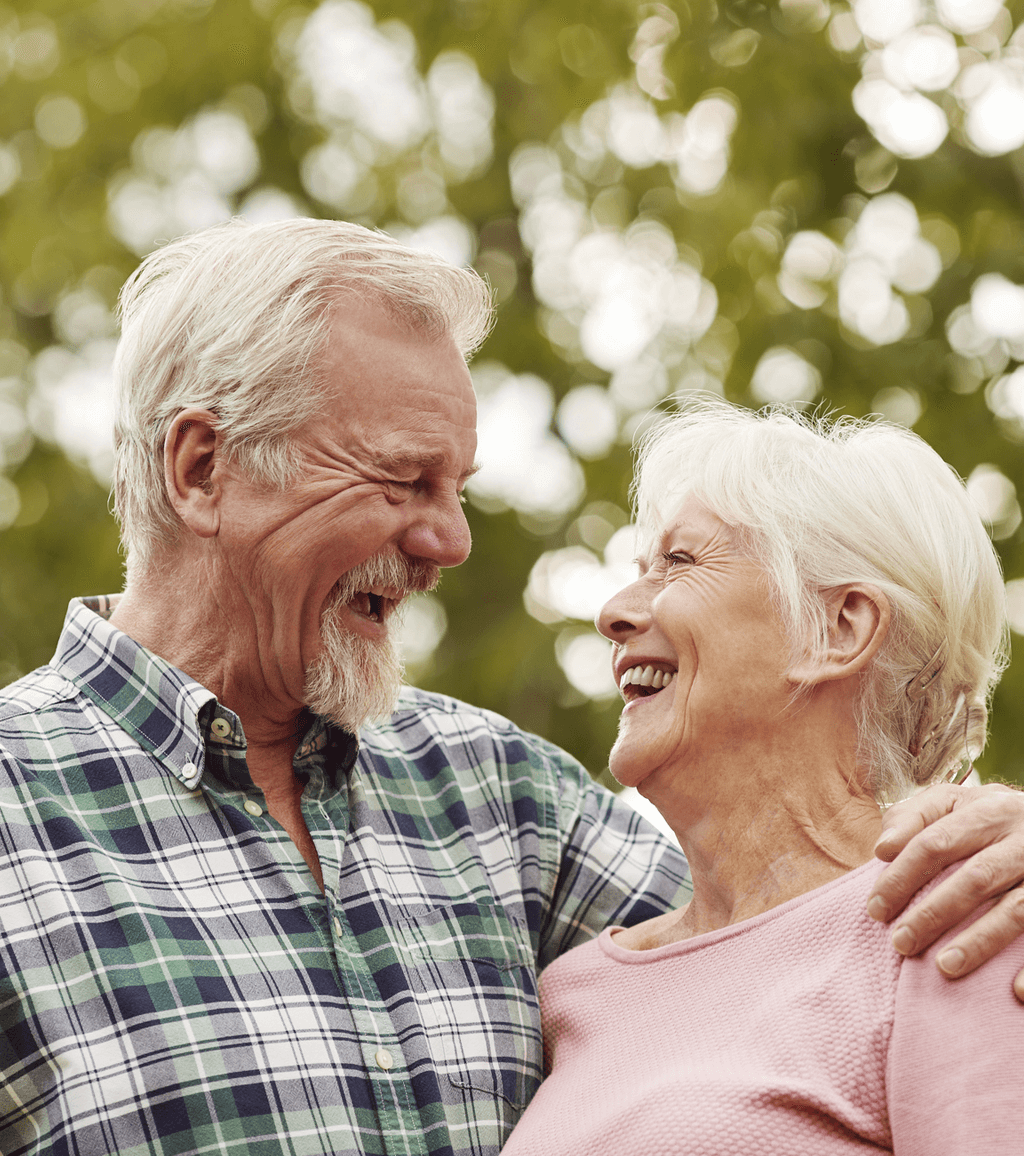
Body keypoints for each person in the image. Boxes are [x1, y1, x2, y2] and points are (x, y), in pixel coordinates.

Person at [0, 220, 1021, 1156]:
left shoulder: (495, 794)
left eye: (457, 488)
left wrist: (1001, 847)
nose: (448, 541)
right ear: (201, 468)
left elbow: (793, 927)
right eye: (402, 481)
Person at [502, 400, 1024, 1156]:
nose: (614, 613)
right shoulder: (576, 992)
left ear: (837, 629)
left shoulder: (959, 915)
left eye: (679, 563)